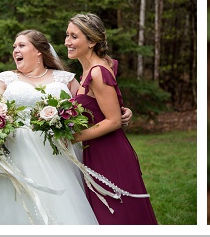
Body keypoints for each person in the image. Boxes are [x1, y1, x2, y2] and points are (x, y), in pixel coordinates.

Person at [0, 29, 130, 224]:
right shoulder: (4, 79)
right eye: (14, 47)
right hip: (17, 151)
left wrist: (123, 111)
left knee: (62, 203)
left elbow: (90, 107)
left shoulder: (65, 79)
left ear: (38, 51)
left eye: (21, 45)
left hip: (56, 151)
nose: (15, 50)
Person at [65, 13, 158, 225]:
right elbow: (110, 107)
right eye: (67, 35)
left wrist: (74, 137)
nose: (67, 42)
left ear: (92, 41)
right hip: (95, 150)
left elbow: (114, 120)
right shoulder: (93, 68)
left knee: (117, 215)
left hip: (109, 152)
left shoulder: (98, 71)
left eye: (74, 36)